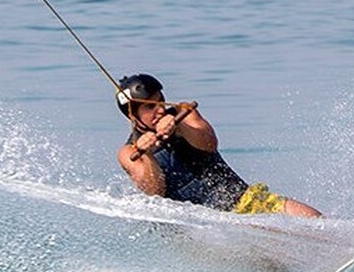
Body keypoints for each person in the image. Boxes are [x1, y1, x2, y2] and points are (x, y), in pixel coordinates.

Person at [115, 73, 321, 217]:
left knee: (299, 213)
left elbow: (209, 143)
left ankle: (343, 247)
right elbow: (154, 192)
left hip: (238, 198)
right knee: (261, 259)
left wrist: (179, 128)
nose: (160, 110)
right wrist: (148, 154)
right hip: (201, 226)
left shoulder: (183, 114)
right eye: (150, 107)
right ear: (133, 115)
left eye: (160, 101)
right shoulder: (129, 152)